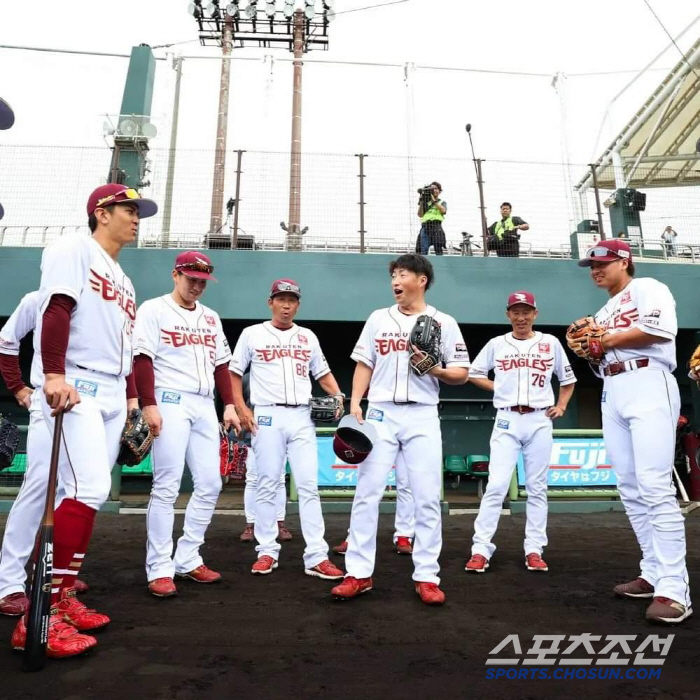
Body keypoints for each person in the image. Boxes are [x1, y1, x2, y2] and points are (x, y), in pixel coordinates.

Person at [11, 183, 157, 659]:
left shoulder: (125, 279)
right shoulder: (73, 247)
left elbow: (125, 348)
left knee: (85, 490)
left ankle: (64, 593)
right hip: (77, 386)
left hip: (114, 391)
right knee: (85, 488)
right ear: (101, 212)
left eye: (138, 211)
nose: (136, 218)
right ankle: (41, 613)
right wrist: (53, 374)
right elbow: (57, 309)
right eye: (129, 209)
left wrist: (134, 403)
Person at [331, 254, 470, 605]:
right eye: (393, 274)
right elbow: (364, 362)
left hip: (422, 414)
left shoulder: (444, 322)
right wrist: (355, 403)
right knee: (368, 493)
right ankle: (358, 574)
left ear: (421, 280)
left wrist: (435, 369)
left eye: (403, 274)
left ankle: (427, 576)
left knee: (426, 498)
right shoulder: (379, 318)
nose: (396, 280)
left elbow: (461, 373)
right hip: (380, 413)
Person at [576, 238, 691, 624]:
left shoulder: (648, 287)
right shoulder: (603, 309)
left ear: (624, 261)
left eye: (602, 263)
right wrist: (593, 352)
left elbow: (659, 331)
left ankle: (675, 590)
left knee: (654, 484)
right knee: (629, 485)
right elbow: (601, 354)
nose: (595, 269)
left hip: (648, 380)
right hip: (613, 388)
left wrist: (603, 339)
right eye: (591, 265)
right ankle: (654, 570)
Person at [133, 251, 240, 598]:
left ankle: (188, 556)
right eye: (191, 279)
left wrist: (230, 406)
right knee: (167, 485)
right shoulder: (154, 309)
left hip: (204, 403)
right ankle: (160, 566)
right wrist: (148, 403)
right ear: (175, 275)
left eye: (202, 281)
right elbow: (142, 359)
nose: (197, 286)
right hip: (169, 399)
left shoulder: (210, 317)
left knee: (210, 483)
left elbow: (222, 365)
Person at [230, 279, 344, 580]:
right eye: (280, 299)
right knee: (267, 483)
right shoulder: (252, 334)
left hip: (302, 416)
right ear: (270, 303)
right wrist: (241, 407)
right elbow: (234, 373)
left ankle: (317, 555)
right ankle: (267, 551)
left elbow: (323, 374)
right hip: (267, 415)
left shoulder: (307, 336)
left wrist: (340, 398)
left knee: (308, 485)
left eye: (291, 300)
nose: (286, 305)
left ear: (297, 304)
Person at [465, 291, 576, 574]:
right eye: (516, 311)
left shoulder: (550, 343)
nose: (521, 317)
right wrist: (499, 388)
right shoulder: (496, 344)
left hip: (539, 419)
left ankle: (534, 549)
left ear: (535, 314)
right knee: (496, 485)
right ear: (508, 314)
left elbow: (567, 379)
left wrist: (562, 405)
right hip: (506, 419)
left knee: (537, 488)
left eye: (526, 311)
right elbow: (475, 373)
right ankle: (480, 549)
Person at [0, 292, 93, 617]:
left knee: (72, 488)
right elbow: (7, 340)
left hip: (87, 401)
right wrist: (17, 387)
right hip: (48, 400)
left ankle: (54, 574)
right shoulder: (37, 298)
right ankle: (9, 582)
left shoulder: (99, 296)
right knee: (39, 485)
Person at [238, 370, 292, 543]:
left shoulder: (285, 375)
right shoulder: (246, 378)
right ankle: (251, 524)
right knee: (253, 479)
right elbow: (238, 405)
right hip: (254, 433)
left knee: (280, 479)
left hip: (279, 432)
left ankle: (279, 523)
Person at [332, 452, 416, 556]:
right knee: (368, 484)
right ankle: (355, 539)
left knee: (406, 483)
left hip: (407, 437)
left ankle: (404, 536)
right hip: (380, 436)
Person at [416, 182, 447, 256]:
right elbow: (420, 214)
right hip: (426, 226)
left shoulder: (442, 202)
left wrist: (434, 201)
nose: (434, 190)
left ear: (439, 191)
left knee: (438, 249)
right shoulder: (427, 203)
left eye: (436, 188)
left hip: (437, 226)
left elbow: (443, 210)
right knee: (423, 250)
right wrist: (422, 201)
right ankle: (423, 266)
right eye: (432, 189)